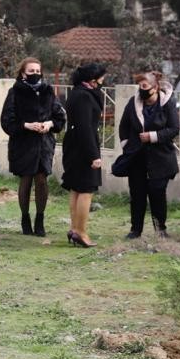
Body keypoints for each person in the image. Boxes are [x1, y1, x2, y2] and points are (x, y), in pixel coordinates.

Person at [0, 57, 65, 236]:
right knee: (26, 180)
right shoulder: (15, 92)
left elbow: (60, 117)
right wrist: (27, 125)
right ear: (23, 73)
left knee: (42, 180)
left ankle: (40, 219)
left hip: (44, 144)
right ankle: (25, 217)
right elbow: (6, 121)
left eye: (38, 71)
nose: (35, 74)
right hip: (23, 144)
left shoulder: (48, 91)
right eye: (31, 71)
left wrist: (49, 124)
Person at [117, 71, 179, 238]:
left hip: (161, 157)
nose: (142, 90)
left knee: (157, 192)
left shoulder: (168, 103)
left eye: (145, 87)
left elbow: (174, 129)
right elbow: (123, 127)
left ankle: (161, 229)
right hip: (137, 157)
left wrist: (153, 137)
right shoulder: (133, 103)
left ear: (156, 87)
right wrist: (127, 146)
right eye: (140, 87)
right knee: (137, 194)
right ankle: (135, 230)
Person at [61, 63, 106, 248]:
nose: (103, 81)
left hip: (74, 144)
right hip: (82, 147)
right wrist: (93, 155)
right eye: (102, 78)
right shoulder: (84, 96)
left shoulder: (77, 92)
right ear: (93, 79)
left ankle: (74, 229)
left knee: (76, 188)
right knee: (86, 189)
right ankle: (80, 231)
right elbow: (85, 127)